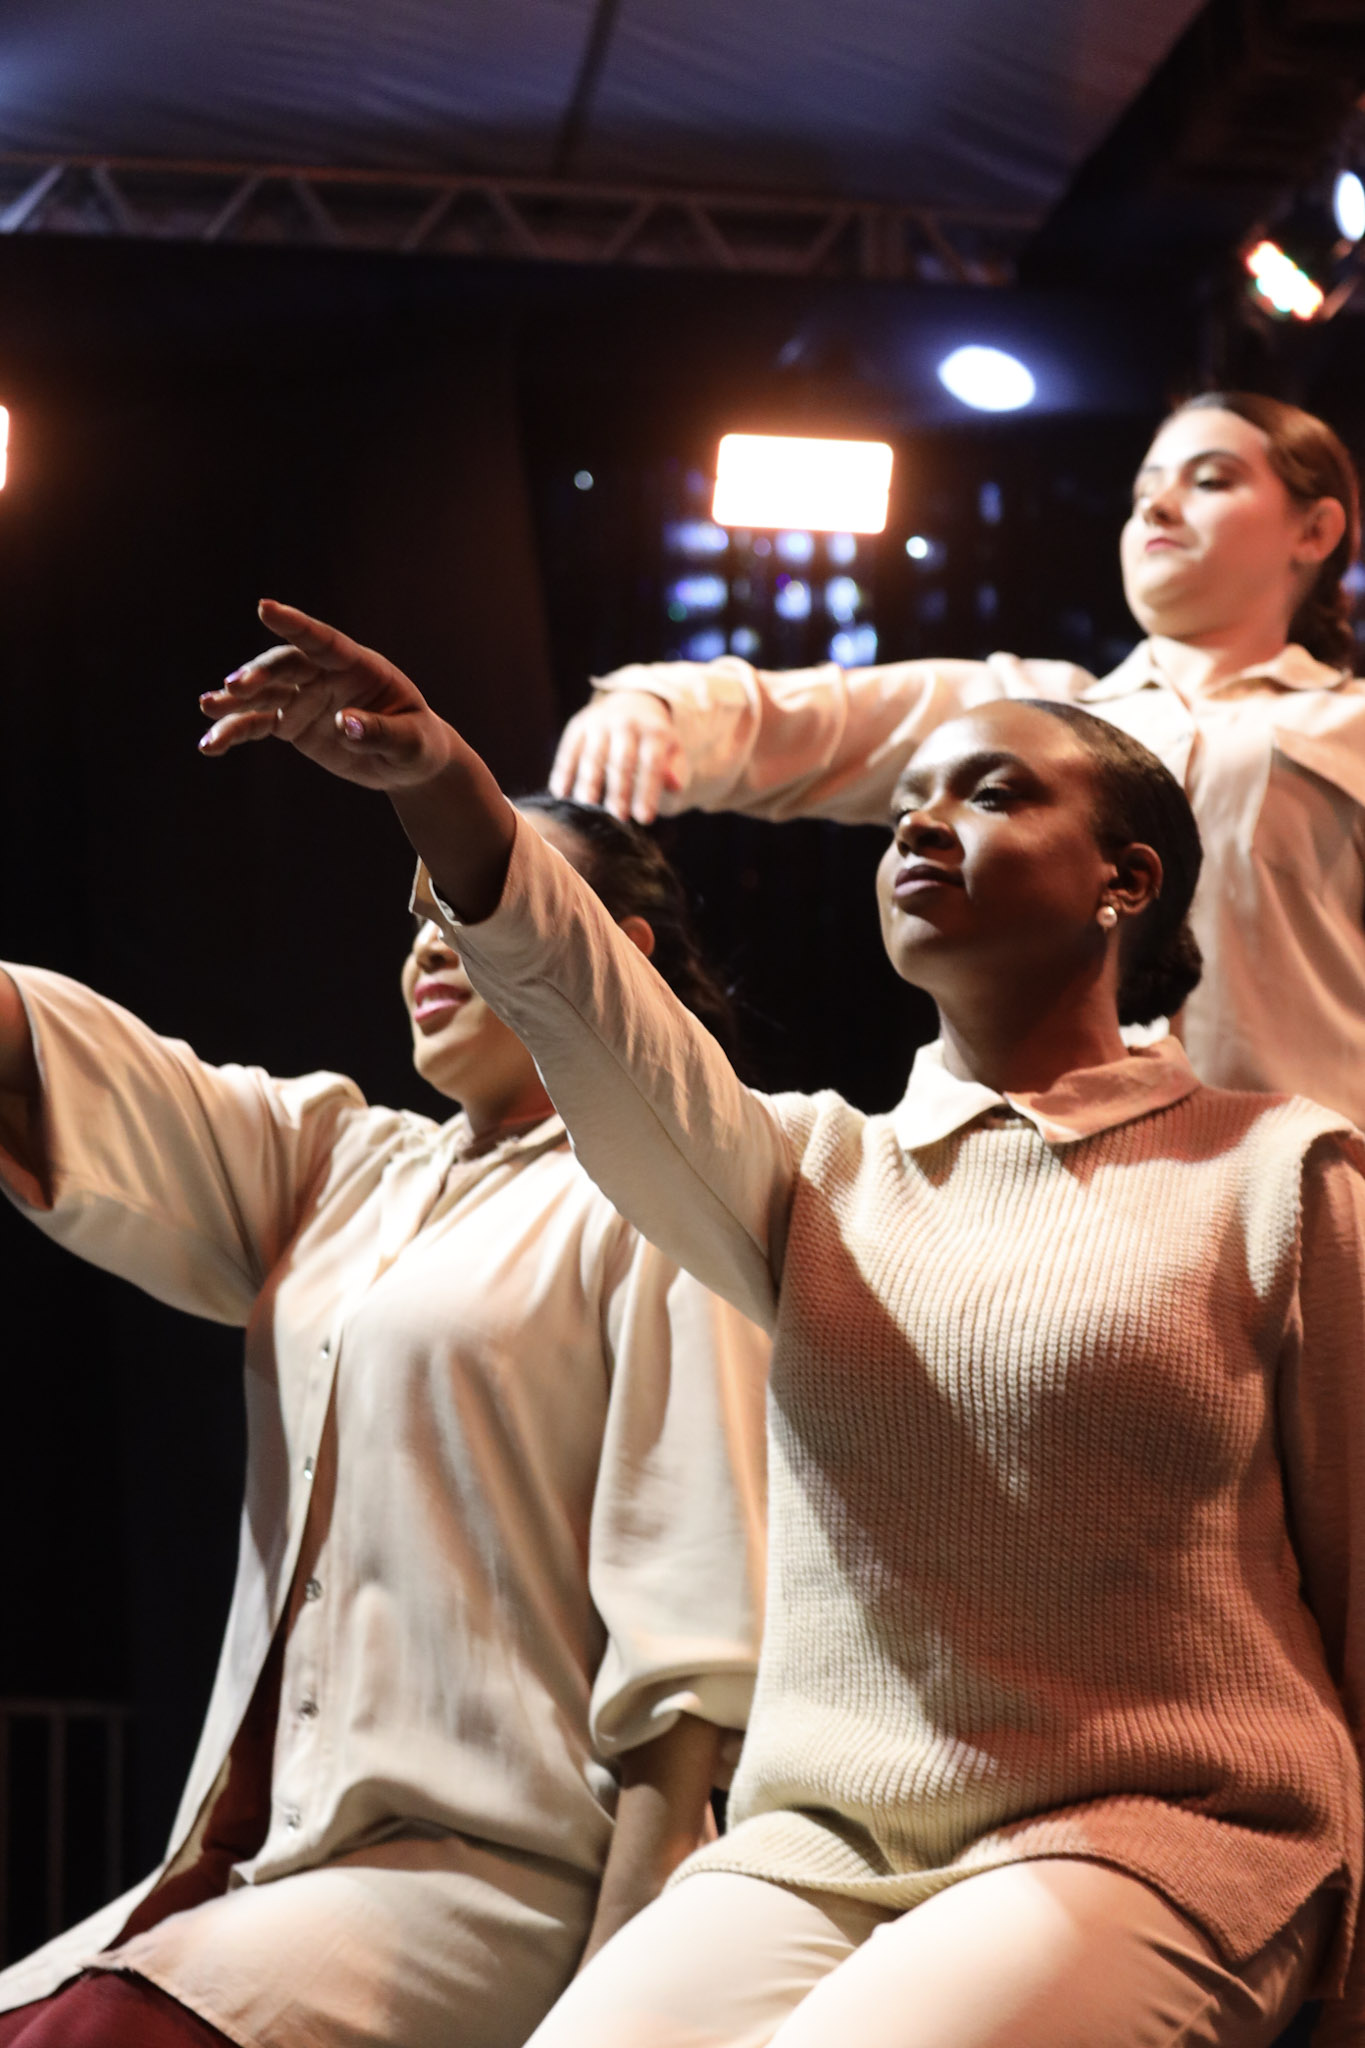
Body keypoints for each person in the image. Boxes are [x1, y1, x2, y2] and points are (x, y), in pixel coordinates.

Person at [196, 600, 1365, 2048]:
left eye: (993, 794)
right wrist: (444, 785)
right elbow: (600, 1019)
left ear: (1125, 880)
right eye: (909, 800)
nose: (922, 823)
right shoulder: (812, 1171)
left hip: (1162, 1829)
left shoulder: (1279, 1169)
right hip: (822, 1843)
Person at [0, 792, 768, 2048]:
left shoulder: (668, 1194)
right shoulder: (345, 1166)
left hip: (501, 1875)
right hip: (274, 1871)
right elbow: (70, 1070)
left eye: (470, 904)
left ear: (615, 949)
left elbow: (691, 1611)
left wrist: (626, 1982)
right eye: (417, 911)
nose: (427, 940)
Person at [551, 391, 1365, 1124]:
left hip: (1315, 1173)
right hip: (1052, 1171)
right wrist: (651, 703)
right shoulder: (1036, 711)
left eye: (1210, 480)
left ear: (1314, 530)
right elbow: (812, 718)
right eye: (1142, 489)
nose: (1156, 503)